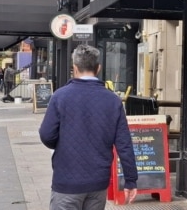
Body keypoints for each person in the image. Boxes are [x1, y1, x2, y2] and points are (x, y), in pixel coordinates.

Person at [39, 44, 138, 209]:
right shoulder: (113, 100)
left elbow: (46, 134)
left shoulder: (60, 97)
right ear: (98, 68)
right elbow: (124, 144)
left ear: (75, 68)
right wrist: (131, 180)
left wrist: (61, 145)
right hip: (98, 182)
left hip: (67, 179)